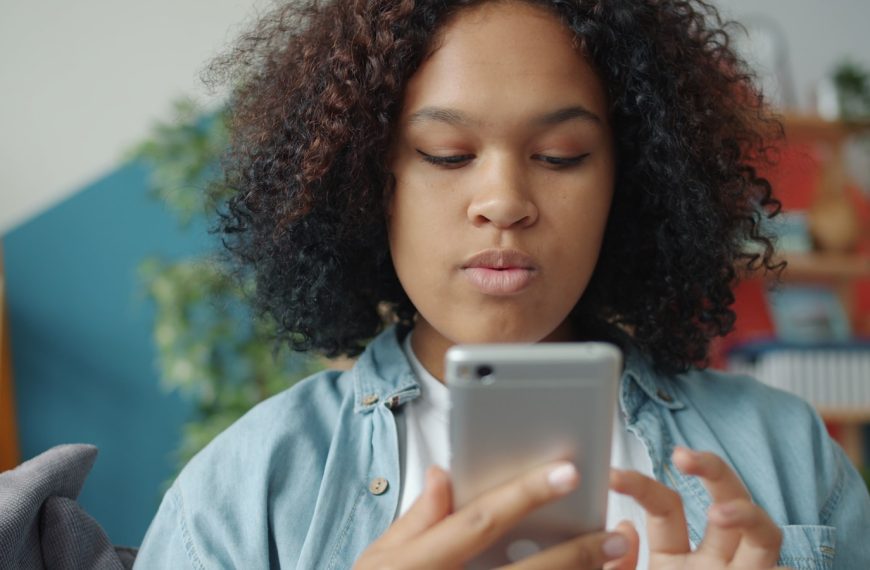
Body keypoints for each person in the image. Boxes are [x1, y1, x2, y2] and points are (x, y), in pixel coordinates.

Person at [134, 0, 870, 568]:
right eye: (447, 154)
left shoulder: (789, 453)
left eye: (561, 155)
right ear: (372, 178)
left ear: (633, 178)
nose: (505, 199)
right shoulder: (238, 494)